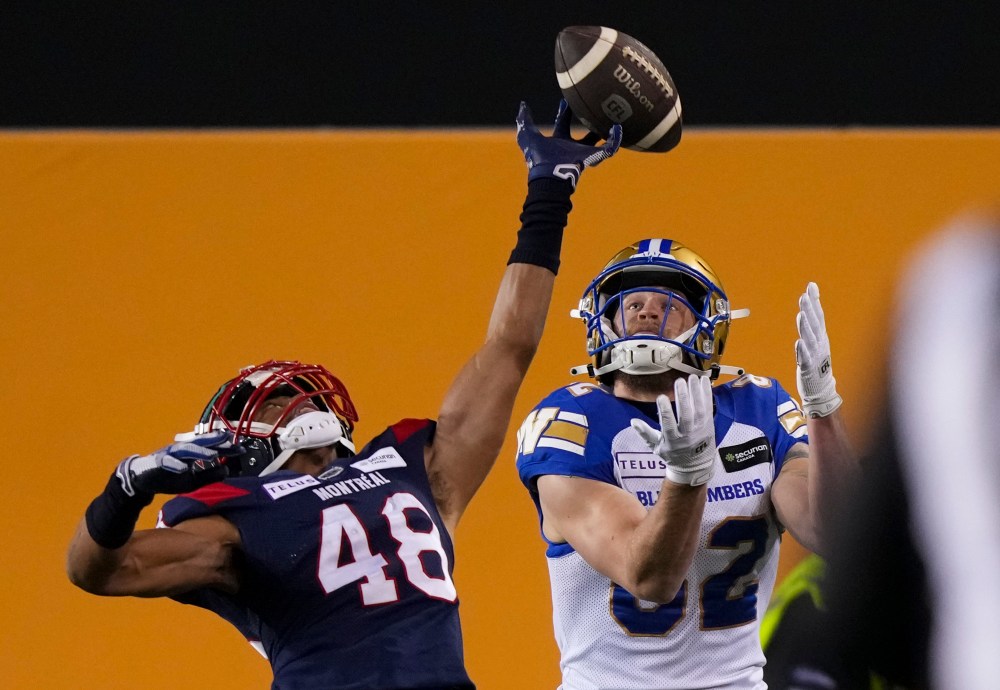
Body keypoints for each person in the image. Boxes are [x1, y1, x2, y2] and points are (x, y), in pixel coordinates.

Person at [65, 101, 623, 689]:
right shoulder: (236, 518)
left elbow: (508, 349)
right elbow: (100, 571)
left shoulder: (413, 467)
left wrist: (549, 196)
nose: (296, 403)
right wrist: (125, 489)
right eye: (276, 404)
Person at [514, 238, 858, 689]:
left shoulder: (759, 409)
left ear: (708, 325)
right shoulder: (573, 423)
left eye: (668, 303)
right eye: (631, 302)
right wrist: (687, 477)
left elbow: (836, 535)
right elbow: (649, 577)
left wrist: (822, 409)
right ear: (602, 320)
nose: (645, 312)